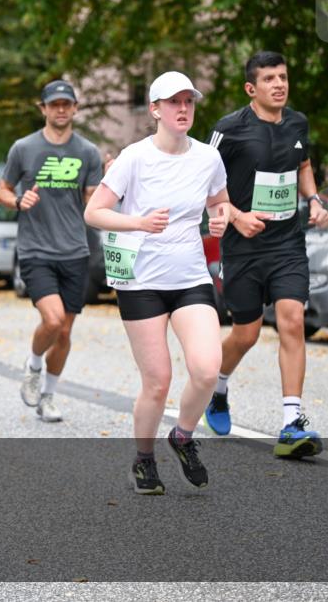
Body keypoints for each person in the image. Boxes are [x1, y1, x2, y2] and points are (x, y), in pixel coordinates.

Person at [85, 71, 230, 495]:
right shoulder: (134, 157)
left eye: (189, 101)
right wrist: (138, 222)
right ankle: (144, 459)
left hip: (189, 277)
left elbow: (219, 201)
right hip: (140, 281)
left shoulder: (207, 158)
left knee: (206, 369)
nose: (183, 108)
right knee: (158, 381)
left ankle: (183, 436)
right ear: (155, 110)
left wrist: (220, 217)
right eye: (173, 102)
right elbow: (94, 212)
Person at [205, 51, 328, 458]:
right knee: (247, 333)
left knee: (292, 320)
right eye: (269, 79)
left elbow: (304, 164)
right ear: (250, 88)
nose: (279, 84)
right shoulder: (230, 129)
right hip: (242, 248)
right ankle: (218, 389)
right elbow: (203, 185)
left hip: (287, 243)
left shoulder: (297, 122)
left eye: (283, 76)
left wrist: (312, 199)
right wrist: (237, 216)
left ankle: (291, 423)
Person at [0, 80, 103, 422]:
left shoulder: (88, 152)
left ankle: (48, 396)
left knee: (66, 331)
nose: (60, 109)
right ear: (42, 109)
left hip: (75, 249)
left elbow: (92, 201)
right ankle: (33, 365)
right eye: (53, 104)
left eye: (66, 104)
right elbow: (2, 189)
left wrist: (109, 183)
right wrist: (16, 200)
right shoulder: (23, 148)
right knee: (53, 320)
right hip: (36, 249)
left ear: (74, 108)